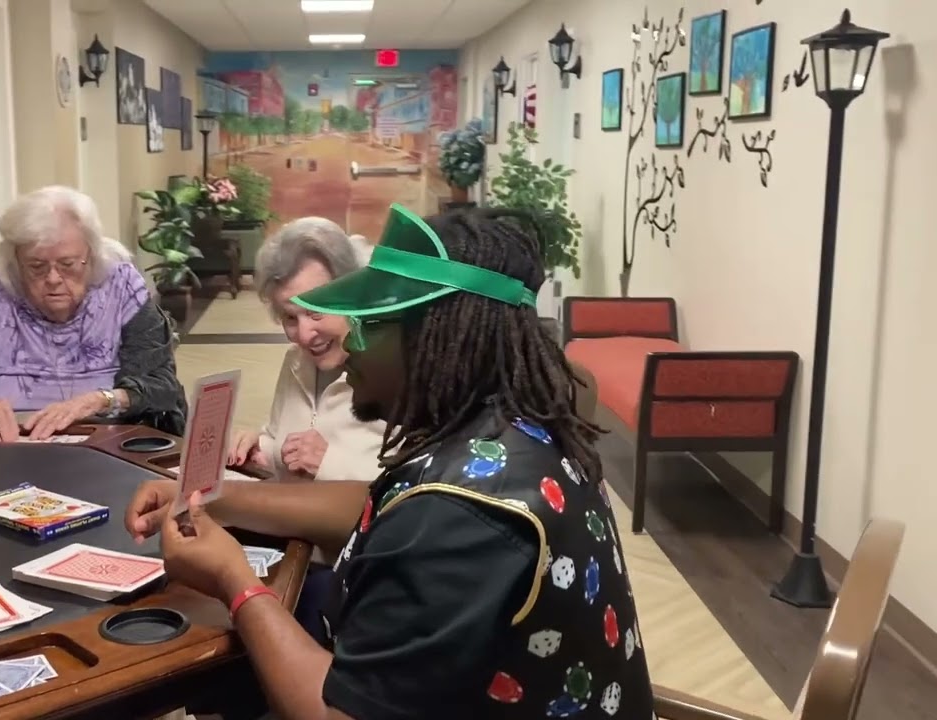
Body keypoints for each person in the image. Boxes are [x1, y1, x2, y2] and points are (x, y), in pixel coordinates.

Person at [124, 205, 654, 719]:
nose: (350, 343)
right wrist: (218, 497)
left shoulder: (461, 516)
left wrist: (235, 581)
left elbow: (335, 713)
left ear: (432, 341)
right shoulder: (514, 432)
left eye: (370, 324)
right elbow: (372, 504)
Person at [0, 186, 186, 441]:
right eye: (36, 266)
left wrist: (102, 399)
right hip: (3, 448)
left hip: (106, 444)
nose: (53, 278)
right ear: (15, 263)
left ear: (91, 255)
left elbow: (161, 385)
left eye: (68, 264)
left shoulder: (122, 287)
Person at [229, 217, 383, 482]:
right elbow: (281, 441)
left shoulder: (394, 372)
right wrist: (260, 447)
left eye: (316, 312)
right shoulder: (296, 362)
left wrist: (330, 464)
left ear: (356, 295)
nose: (303, 335)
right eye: (290, 317)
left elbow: (424, 482)